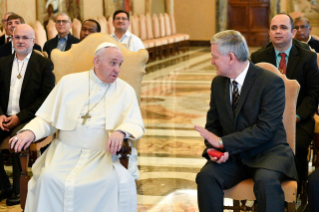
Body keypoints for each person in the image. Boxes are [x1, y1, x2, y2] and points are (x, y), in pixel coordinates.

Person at [9, 42, 144, 212]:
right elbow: (46, 118)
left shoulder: (125, 91)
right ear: (97, 61)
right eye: (112, 63)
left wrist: (121, 131)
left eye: (120, 64)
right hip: (64, 153)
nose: (117, 69)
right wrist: (29, 132)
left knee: (110, 182)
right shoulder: (69, 83)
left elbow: (134, 122)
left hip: (103, 156)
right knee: (48, 178)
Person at [195, 30, 297, 212]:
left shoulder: (270, 82)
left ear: (231, 58)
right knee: (206, 176)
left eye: (215, 57)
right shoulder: (218, 83)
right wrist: (218, 149)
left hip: (269, 153)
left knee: (266, 182)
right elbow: (213, 126)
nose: (211, 61)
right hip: (233, 156)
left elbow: (265, 129)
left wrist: (224, 142)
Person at [250, 13, 319, 194]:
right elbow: (252, 94)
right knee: (259, 144)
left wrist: (295, 116)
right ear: (269, 32)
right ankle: (267, 188)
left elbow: (313, 93)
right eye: (274, 28)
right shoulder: (258, 58)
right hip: (266, 121)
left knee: (297, 144)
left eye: (283, 28)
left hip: (299, 119)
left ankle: (296, 188)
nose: (278, 32)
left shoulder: (307, 57)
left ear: (293, 32)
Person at [0, 24, 55, 206]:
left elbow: (46, 97)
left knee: (17, 138)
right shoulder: (2, 62)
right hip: (4, 117)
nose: (21, 41)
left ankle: (18, 190)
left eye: (25, 38)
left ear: (33, 41)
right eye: (17, 38)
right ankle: (4, 185)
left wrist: (20, 117)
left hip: (30, 117)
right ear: (12, 39)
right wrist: (0, 115)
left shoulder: (44, 64)